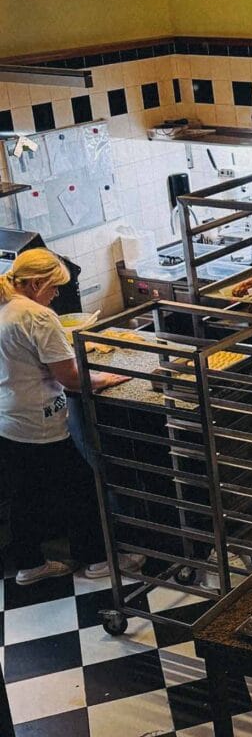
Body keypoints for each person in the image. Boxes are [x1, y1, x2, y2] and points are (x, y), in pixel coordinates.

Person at [0, 249, 143, 585]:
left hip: (9, 418)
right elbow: (70, 377)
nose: (57, 294)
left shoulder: (4, 307)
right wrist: (105, 379)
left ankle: (29, 564)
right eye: (54, 287)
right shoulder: (36, 316)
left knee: (26, 495)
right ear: (36, 283)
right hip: (40, 421)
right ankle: (96, 559)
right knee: (81, 487)